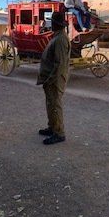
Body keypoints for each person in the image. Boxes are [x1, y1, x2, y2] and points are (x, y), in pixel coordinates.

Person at [37, 12, 71, 145]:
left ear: (57, 24)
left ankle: (59, 133)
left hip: (55, 80)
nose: (50, 25)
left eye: (52, 22)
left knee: (55, 105)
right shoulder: (57, 37)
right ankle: (52, 127)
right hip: (51, 80)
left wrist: (50, 80)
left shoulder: (61, 39)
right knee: (50, 104)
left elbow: (60, 65)